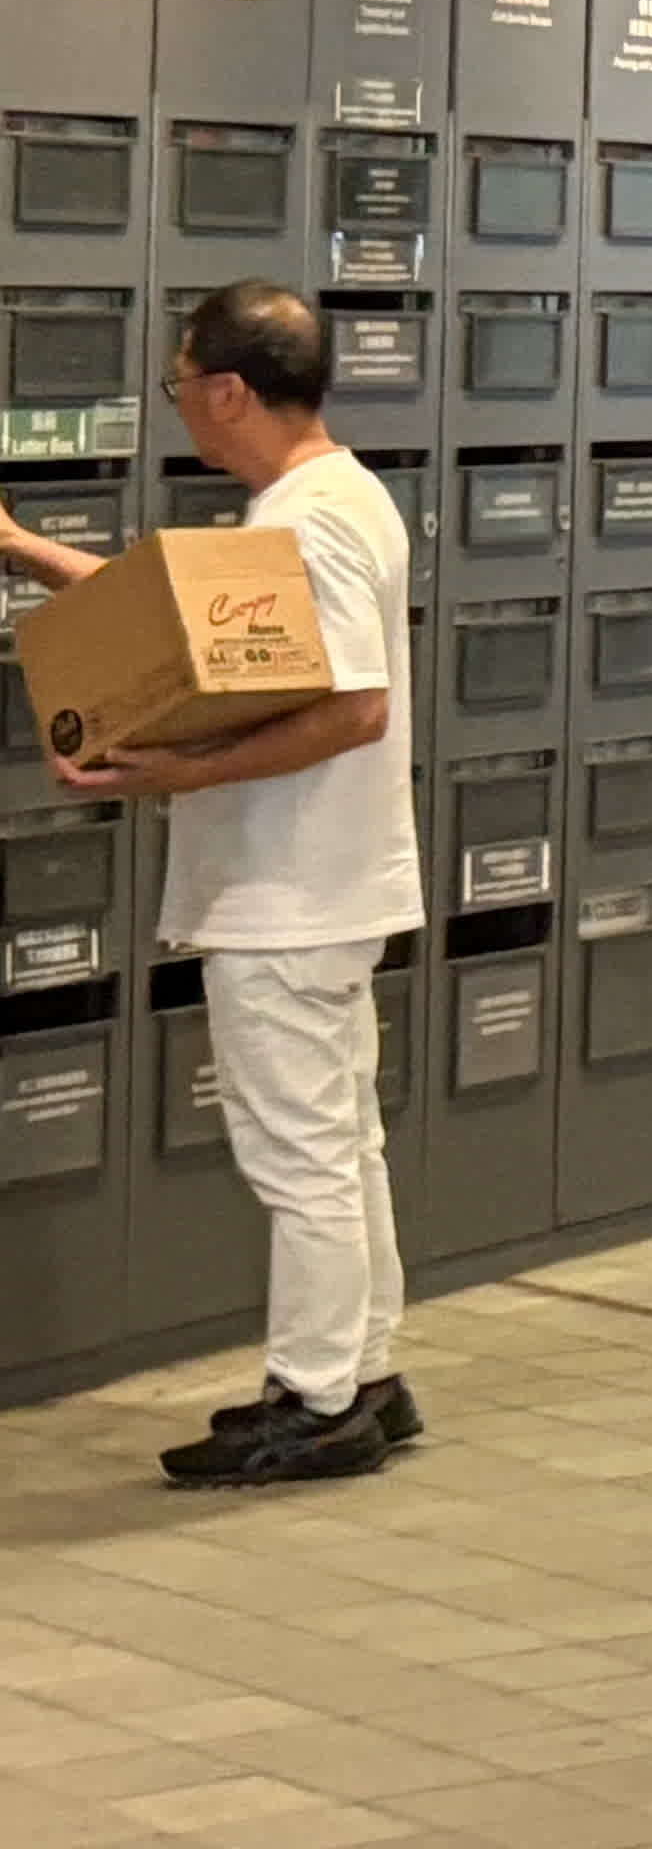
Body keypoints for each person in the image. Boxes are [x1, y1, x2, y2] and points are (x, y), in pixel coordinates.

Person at [0, 284, 426, 1485]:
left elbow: (354, 706)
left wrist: (186, 769)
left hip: (291, 892)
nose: (177, 403)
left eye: (180, 381)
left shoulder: (313, 521)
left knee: (301, 1157)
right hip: (322, 887)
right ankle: (365, 1374)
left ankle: (318, 1398)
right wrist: (24, 545)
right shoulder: (329, 498)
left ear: (229, 389)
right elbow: (186, 630)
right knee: (343, 1143)